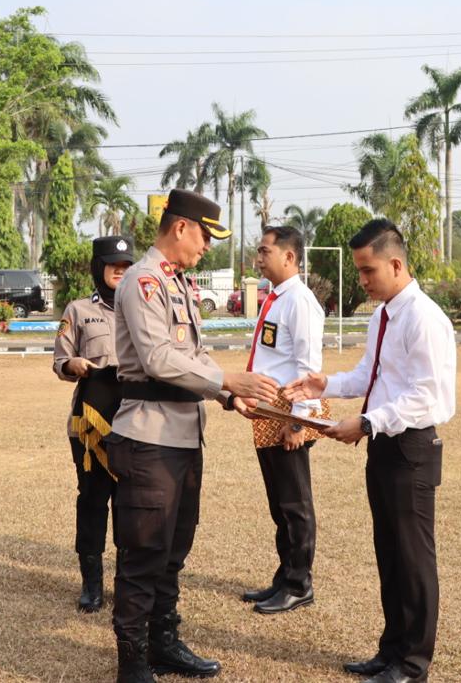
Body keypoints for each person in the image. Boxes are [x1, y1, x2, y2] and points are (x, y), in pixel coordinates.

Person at [107, 188, 279, 683]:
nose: (207, 246)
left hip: (183, 436)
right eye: (205, 235)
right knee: (143, 554)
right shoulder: (143, 281)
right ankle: (133, 663)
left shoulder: (177, 284)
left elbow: (194, 358)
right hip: (149, 438)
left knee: (173, 551)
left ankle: (163, 642)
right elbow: (159, 358)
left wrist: (230, 397)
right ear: (180, 227)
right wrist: (227, 381)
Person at [286, 218, 455, 683]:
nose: (362, 280)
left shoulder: (424, 318)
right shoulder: (384, 314)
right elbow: (369, 375)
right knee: (389, 551)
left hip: (412, 448)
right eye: (360, 270)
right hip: (382, 445)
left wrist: (364, 421)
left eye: (368, 270)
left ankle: (413, 663)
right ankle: (392, 649)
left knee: (413, 559)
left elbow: (426, 396)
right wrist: (326, 384)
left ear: (396, 264)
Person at [241, 225, 327, 615]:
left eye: (264, 251)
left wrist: (298, 423)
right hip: (268, 408)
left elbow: (309, 368)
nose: (259, 258)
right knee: (279, 502)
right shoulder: (275, 298)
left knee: (295, 503)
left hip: (289, 411)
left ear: (289, 257)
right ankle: (284, 576)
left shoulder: (300, 302)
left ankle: (299, 583)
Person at [53, 235, 136, 613]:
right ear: (97, 267)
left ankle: (126, 580)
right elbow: (60, 359)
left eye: (126, 265)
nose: (120, 270)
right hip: (90, 423)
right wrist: (72, 365)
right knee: (92, 499)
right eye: (113, 264)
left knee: (130, 503)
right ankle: (91, 583)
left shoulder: (143, 308)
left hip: (134, 421)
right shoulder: (79, 310)